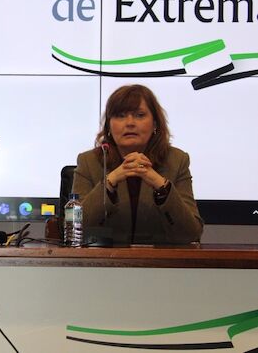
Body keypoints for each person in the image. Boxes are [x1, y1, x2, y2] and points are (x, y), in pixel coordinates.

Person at [72, 84, 203, 244]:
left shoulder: (176, 160)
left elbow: (191, 233)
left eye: (139, 115)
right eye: (120, 115)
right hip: (105, 259)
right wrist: (110, 181)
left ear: (155, 124)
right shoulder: (89, 161)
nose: (130, 123)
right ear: (108, 126)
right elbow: (74, 229)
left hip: (160, 259)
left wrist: (159, 184)